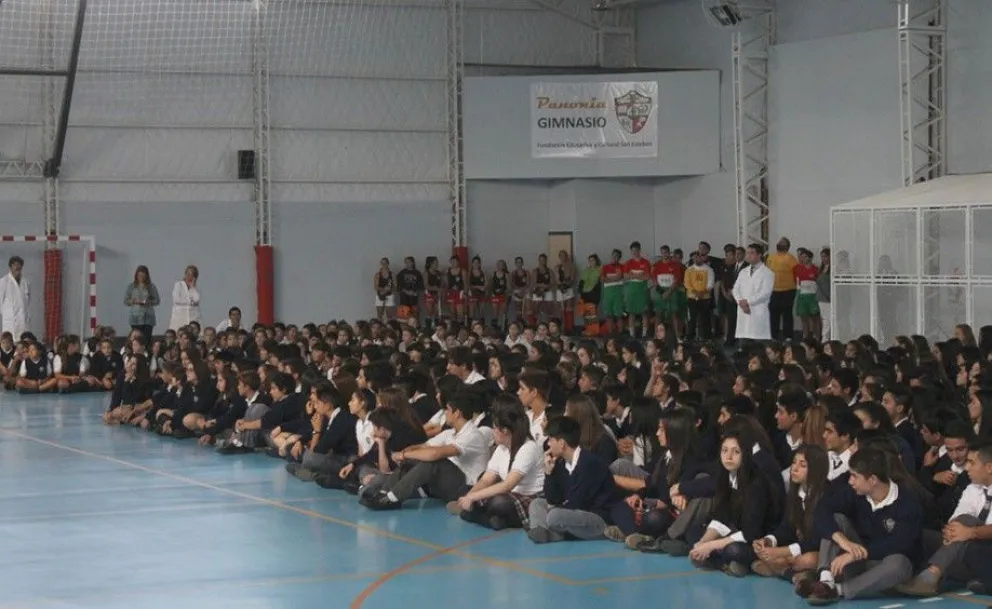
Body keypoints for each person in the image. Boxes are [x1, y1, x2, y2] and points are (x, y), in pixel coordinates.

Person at [526, 416, 619, 543]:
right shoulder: (561, 463)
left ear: (562, 443)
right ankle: (544, 531)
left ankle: (548, 531)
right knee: (537, 503)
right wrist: (549, 473)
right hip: (573, 513)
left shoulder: (589, 463)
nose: (548, 444)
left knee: (554, 516)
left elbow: (579, 503)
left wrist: (554, 509)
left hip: (596, 518)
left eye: (551, 440)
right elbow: (553, 499)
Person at [732, 244, 775, 343]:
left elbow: (765, 293)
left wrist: (747, 302)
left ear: (759, 255)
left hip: (757, 312)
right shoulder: (743, 271)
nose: (748, 255)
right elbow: (735, 289)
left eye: (752, 253)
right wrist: (741, 302)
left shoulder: (768, 273)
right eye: (748, 253)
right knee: (743, 345)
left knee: (758, 346)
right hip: (743, 312)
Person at [765, 237, 798, 340]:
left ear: (787, 246)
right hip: (773, 291)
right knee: (773, 314)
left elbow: (796, 273)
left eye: (782, 243)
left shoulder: (791, 258)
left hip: (788, 290)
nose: (780, 244)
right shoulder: (771, 257)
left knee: (787, 314)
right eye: (779, 242)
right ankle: (773, 335)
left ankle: (788, 336)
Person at [124, 265, 160, 339]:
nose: (141, 277)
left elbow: (157, 301)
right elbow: (126, 301)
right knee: (137, 339)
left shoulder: (151, 286)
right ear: (136, 275)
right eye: (139, 275)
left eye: (143, 276)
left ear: (146, 276)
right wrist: (133, 301)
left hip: (148, 317)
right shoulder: (131, 286)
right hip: (135, 318)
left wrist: (149, 302)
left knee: (147, 339)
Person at [0, 256, 30, 339]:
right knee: (10, 342)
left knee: (23, 342)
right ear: (11, 267)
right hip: (10, 322)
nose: (17, 267)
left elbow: (27, 301)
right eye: (15, 265)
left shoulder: (26, 282)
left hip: (23, 321)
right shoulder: (3, 281)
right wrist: (9, 314)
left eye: (19, 265)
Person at [169, 265, 201, 331]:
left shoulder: (194, 287)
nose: (189, 276)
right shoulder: (179, 284)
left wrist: (193, 287)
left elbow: (197, 300)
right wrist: (190, 302)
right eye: (188, 274)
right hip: (179, 318)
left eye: (192, 274)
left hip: (192, 318)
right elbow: (177, 300)